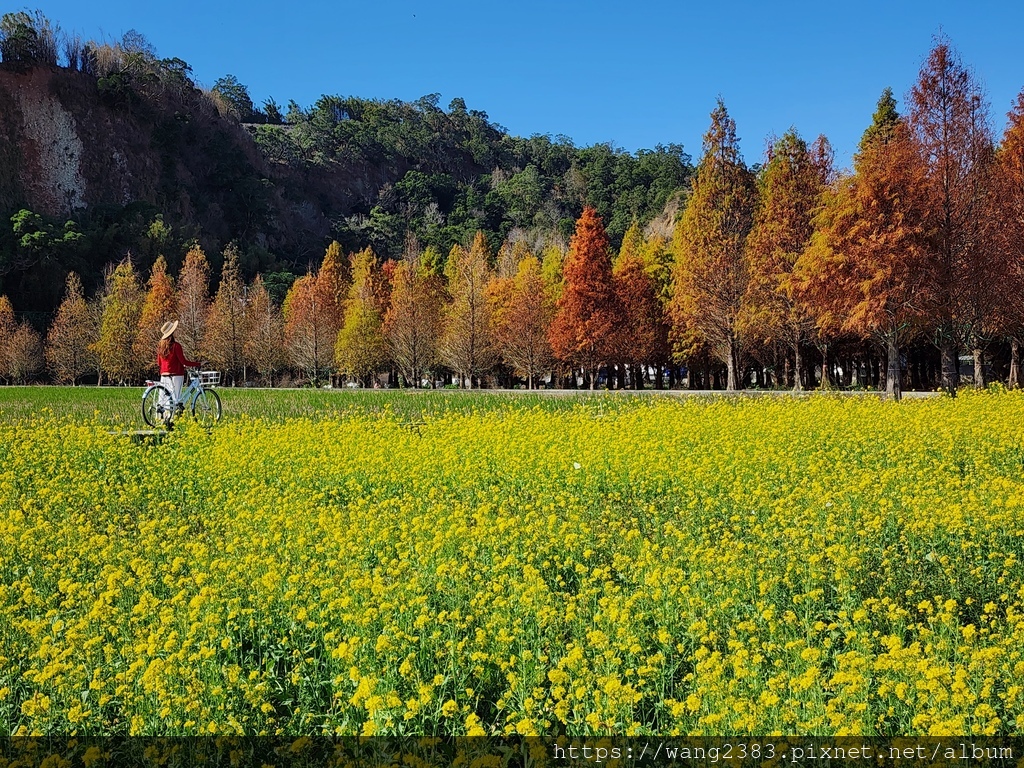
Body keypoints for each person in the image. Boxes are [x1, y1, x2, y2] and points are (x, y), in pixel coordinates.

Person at [156, 320, 199, 415]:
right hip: (176, 375)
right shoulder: (176, 346)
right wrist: (197, 364)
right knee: (176, 399)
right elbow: (183, 361)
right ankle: (174, 417)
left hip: (164, 375)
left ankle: (163, 418)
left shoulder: (160, 347)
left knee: (165, 398)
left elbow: (159, 363)